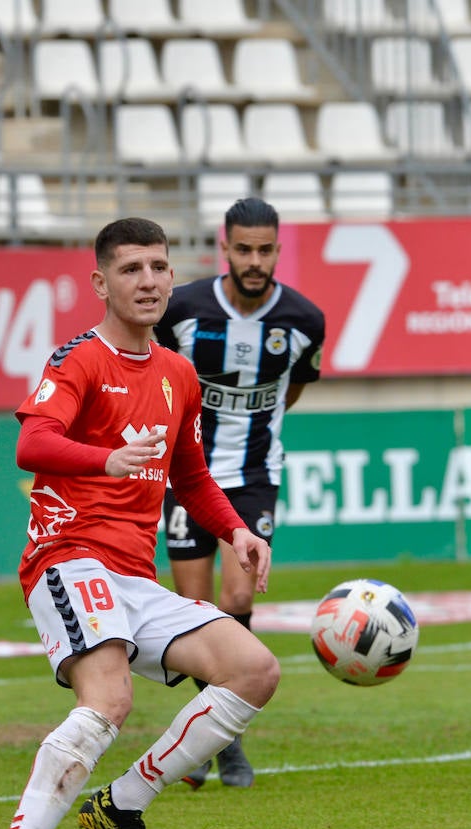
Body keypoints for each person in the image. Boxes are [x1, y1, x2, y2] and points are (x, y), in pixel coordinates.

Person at [0, 217, 279, 829]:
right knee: (110, 698)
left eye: (158, 267)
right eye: (131, 268)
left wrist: (235, 532)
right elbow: (33, 444)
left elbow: (192, 476)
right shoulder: (77, 360)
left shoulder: (176, 374)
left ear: (174, 275)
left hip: (133, 578)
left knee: (255, 668)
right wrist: (105, 459)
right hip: (68, 557)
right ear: (101, 282)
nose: (148, 280)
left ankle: (122, 804)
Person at [153, 197, 325, 789]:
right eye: (244, 249)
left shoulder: (304, 321)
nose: (255, 261)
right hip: (185, 475)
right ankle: (209, 739)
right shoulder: (183, 309)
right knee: (194, 613)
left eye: (266, 250)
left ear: (279, 250)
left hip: (253, 478)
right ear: (224, 248)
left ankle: (224, 742)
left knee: (236, 601)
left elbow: (294, 389)